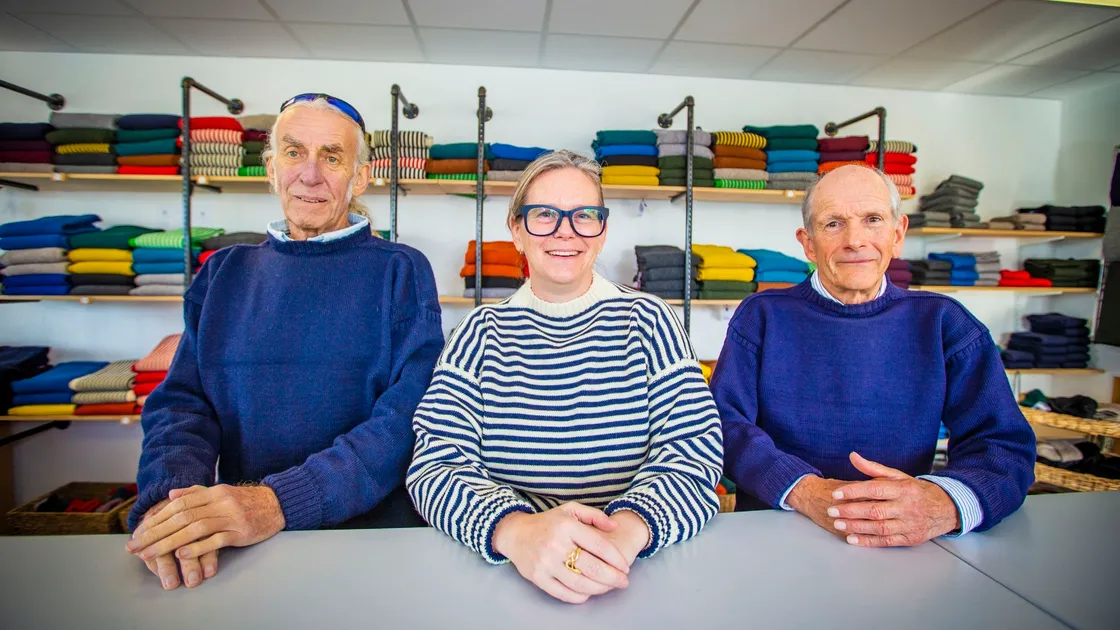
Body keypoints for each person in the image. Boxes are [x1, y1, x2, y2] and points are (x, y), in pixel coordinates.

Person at [125, 94, 444, 590]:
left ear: (359, 177)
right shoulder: (223, 273)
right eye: (294, 153)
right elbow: (183, 404)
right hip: (243, 547)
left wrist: (278, 502)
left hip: (370, 542)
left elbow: (408, 415)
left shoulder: (400, 271)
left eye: (332, 157)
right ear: (272, 169)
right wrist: (175, 505)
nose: (311, 174)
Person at [406, 150, 723, 604]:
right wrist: (515, 531)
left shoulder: (650, 321)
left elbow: (695, 453)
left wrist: (626, 532)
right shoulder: (477, 333)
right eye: (544, 215)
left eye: (584, 216)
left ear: (602, 230)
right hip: (505, 578)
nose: (565, 231)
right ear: (516, 230)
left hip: (636, 574)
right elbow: (435, 467)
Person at [712, 164, 1035, 547]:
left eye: (873, 220)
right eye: (833, 223)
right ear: (808, 243)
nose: (855, 240)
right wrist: (805, 489)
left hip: (902, 545)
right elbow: (723, 426)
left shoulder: (944, 322)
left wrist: (942, 503)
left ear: (898, 234)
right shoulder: (761, 315)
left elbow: (1004, 446)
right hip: (776, 531)